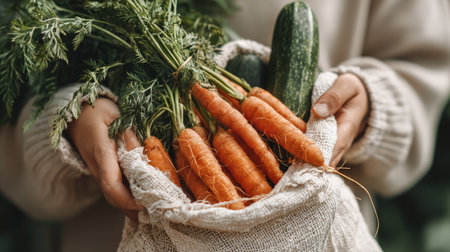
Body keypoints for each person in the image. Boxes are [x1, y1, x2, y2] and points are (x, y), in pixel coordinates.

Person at [0, 0, 449, 251]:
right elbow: (15, 104)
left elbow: (425, 68)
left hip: (317, 232)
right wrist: (67, 124)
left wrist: (372, 103)